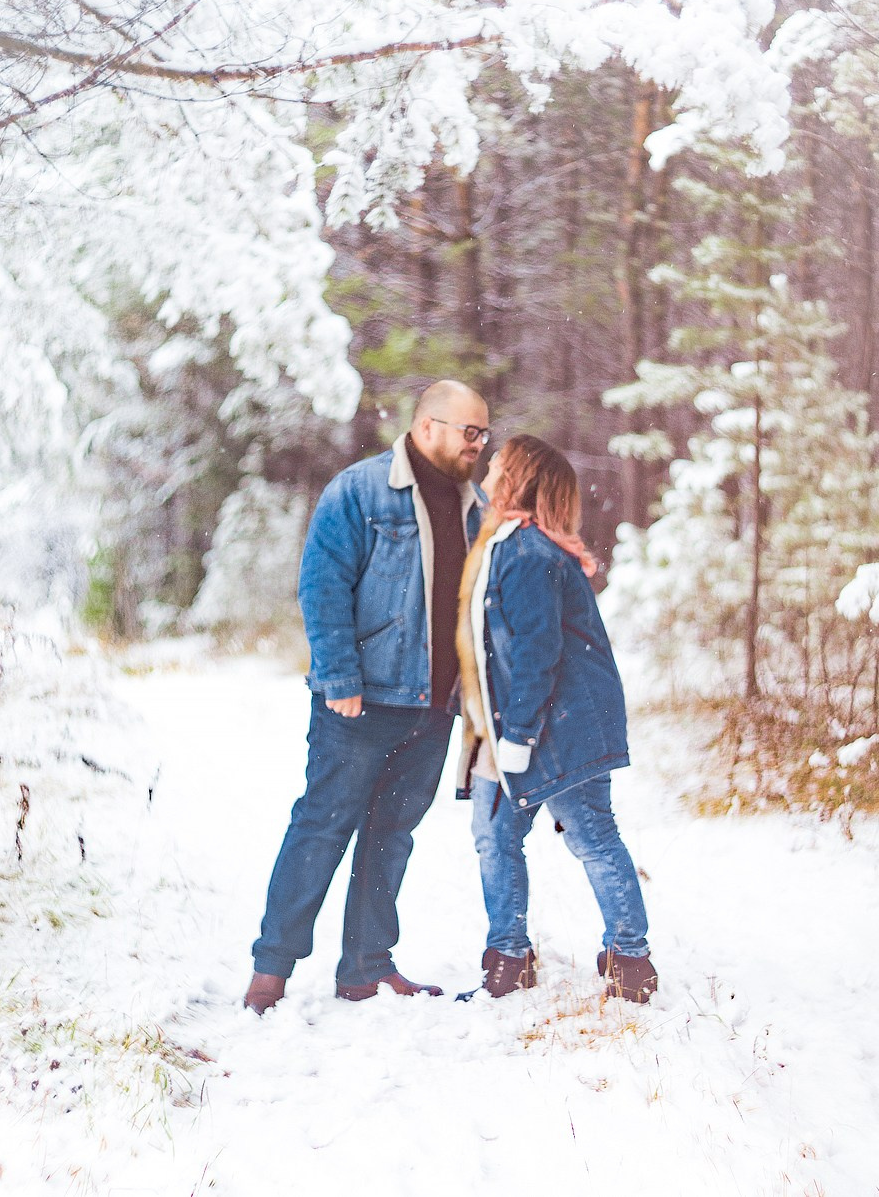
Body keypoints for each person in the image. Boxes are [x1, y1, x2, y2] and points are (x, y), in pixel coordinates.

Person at [244, 380, 489, 1012]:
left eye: (484, 434)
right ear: (428, 426)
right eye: (470, 432)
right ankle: (270, 970)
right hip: (360, 703)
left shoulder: (475, 505)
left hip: (432, 709)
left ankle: (365, 968)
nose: (479, 445)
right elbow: (322, 587)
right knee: (322, 826)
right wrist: (341, 679)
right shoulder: (360, 490)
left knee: (392, 836)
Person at [455, 434, 657, 1002]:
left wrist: (518, 734)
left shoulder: (528, 555)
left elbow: (536, 649)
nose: (488, 466)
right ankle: (511, 959)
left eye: (497, 462)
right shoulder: (508, 543)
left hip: (553, 724)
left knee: (586, 835)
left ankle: (628, 960)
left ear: (516, 477)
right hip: (521, 721)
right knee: (499, 835)